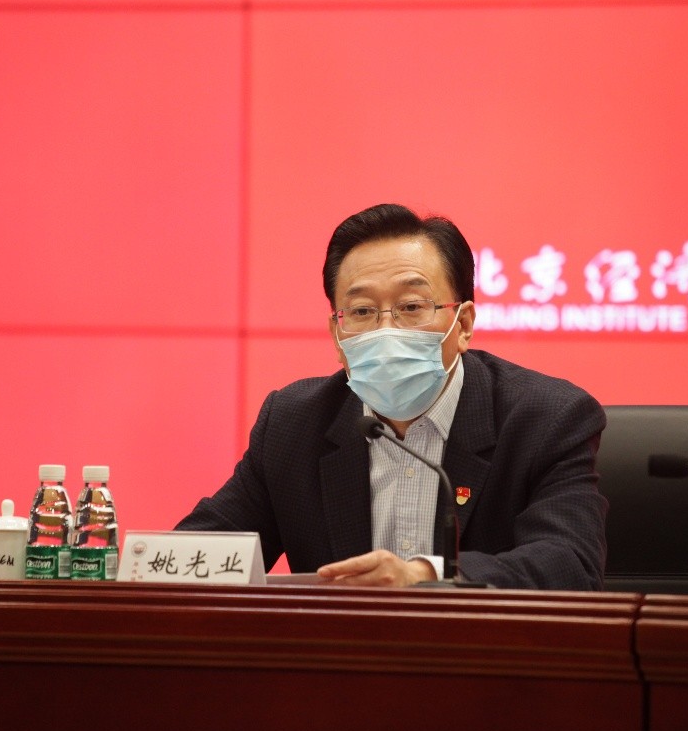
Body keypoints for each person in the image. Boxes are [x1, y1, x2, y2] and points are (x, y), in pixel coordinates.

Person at [177, 204, 608, 589]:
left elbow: (570, 563)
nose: (386, 330)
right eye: (362, 311)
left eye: (411, 307)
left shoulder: (546, 418)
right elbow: (200, 554)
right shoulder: (293, 425)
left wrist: (425, 577)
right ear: (337, 335)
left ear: (463, 324)